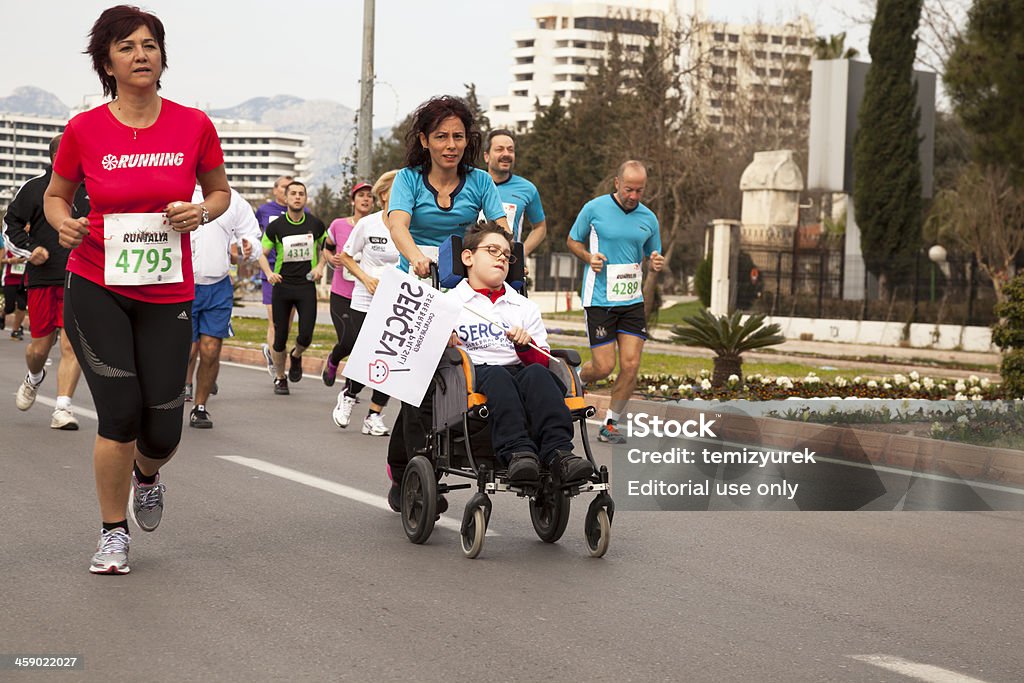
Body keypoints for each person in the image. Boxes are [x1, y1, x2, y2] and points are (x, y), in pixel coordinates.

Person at [43, 5, 230, 575]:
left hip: (167, 290)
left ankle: (146, 477)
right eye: (126, 47)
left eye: (149, 45)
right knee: (118, 414)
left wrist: (199, 211)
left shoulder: (193, 124)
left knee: (162, 426)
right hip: (97, 279)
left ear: (162, 55)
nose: (140, 54)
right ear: (107, 62)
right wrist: (62, 223)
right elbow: (56, 195)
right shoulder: (84, 129)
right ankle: (112, 533)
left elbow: (219, 193)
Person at [384, 95, 510, 510]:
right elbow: (398, 224)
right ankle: (412, 472)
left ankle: (411, 465)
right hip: (415, 288)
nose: (451, 144)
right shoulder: (408, 179)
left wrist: (496, 253)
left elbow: (499, 230)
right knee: (415, 383)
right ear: (425, 140)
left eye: (458, 136)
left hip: (458, 288)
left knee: (452, 378)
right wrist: (416, 256)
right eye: (441, 136)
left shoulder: (479, 182)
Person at [451, 222, 593, 485]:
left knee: (538, 373)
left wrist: (524, 347)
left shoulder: (523, 306)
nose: (501, 258)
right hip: (473, 375)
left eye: (506, 255)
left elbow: (544, 360)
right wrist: (442, 341)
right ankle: (518, 452)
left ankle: (559, 453)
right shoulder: (449, 303)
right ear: (468, 257)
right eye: (492, 250)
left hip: (519, 371)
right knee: (496, 375)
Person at [566, 160, 665, 444]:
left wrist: (656, 260)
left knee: (631, 364)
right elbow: (572, 241)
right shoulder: (594, 208)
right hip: (599, 299)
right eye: (629, 189)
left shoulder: (649, 218)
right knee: (604, 367)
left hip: (631, 300)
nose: (634, 196)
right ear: (617, 183)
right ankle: (575, 380)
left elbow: (653, 252)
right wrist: (588, 257)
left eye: (640, 191)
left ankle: (611, 423)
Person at [4, 133, 90, 429]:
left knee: (71, 346)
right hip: (42, 279)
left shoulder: (90, 189)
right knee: (38, 349)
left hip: (78, 279)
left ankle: (63, 408)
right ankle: (34, 376)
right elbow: (10, 225)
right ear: (56, 158)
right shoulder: (34, 189)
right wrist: (30, 250)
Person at [185, 186, 275, 428]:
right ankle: (171, 398)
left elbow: (252, 237)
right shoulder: (178, 190)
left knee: (211, 349)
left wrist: (249, 248)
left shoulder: (232, 199)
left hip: (218, 286)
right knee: (188, 351)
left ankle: (200, 407)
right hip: (182, 285)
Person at [328, 171, 400, 435]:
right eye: (399, 189)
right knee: (366, 352)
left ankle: (374, 415)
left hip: (397, 302)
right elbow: (345, 257)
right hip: (365, 298)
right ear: (384, 195)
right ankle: (348, 395)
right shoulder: (368, 224)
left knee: (391, 357)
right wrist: (367, 279)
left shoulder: (412, 225)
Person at [261, 181, 326, 395]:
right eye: (293, 194)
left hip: (306, 286)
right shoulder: (276, 226)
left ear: (305, 198)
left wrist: (320, 266)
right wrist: (269, 274)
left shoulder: (315, 224)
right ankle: (280, 378)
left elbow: (328, 246)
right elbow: (261, 254)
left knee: (306, 335)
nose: (297, 197)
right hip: (283, 286)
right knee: (280, 337)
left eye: (301, 194)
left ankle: (296, 355)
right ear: (286, 199)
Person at [320, 180, 373, 387]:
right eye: (361, 195)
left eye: (369, 196)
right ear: (353, 201)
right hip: (342, 294)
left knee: (362, 343)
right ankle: (334, 359)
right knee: (349, 340)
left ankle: (350, 387)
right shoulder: (338, 224)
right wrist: (330, 258)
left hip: (367, 294)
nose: (366, 199)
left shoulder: (377, 226)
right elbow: (327, 247)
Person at [483, 129, 547, 256]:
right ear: (486, 156)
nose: (506, 154)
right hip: (472, 263)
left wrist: (522, 252)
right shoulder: (473, 183)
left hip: (507, 263)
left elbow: (540, 227)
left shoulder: (527, 189)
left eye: (510, 150)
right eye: (499, 149)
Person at [254, 175, 294, 376]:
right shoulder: (264, 211)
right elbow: (253, 235)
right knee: (275, 322)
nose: (288, 191)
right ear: (275, 190)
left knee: (286, 325)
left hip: (294, 274)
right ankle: (280, 372)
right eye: (285, 187)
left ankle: (272, 352)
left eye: (292, 187)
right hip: (271, 272)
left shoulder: (302, 211)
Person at [1, 242, 28, 339]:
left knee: (22, 305)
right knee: (10, 307)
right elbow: (1, 260)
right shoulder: (7, 243)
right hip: (9, 279)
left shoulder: (30, 243)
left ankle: (15, 331)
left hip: (23, 280)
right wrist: (10, 260)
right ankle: (2, 315)